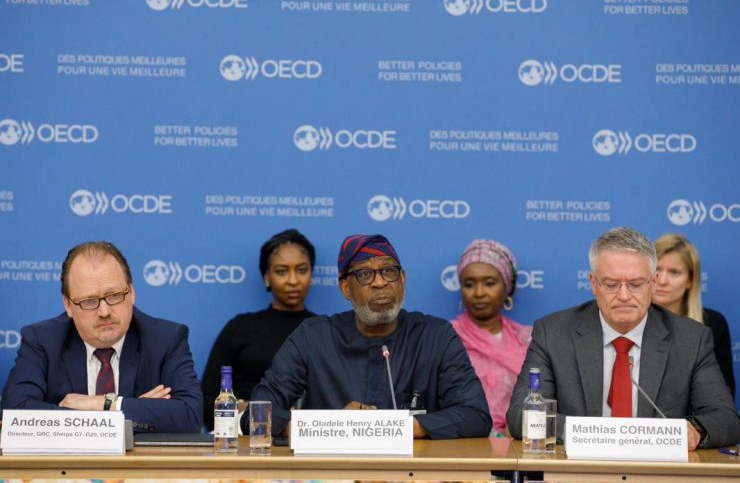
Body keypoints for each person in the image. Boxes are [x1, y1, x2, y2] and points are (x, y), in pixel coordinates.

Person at [506, 227, 740, 450]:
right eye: (611, 284)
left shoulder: (691, 340)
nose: (624, 296)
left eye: (636, 284)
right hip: (579, 469)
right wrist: (601, 435)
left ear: (653, 283)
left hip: (657, 470)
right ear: (593, 283)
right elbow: (520, 417)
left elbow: (726, 419)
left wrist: (694, 431)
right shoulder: (554, 334)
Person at [251, 234, 491, 439]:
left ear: (402, 279)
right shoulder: (314, 337)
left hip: (412, 471)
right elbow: (257, 414)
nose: (380, 282)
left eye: (388, 271)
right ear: (346, 288)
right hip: (333, 470)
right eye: (365, 274)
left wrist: (397, 427)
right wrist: (332, 426)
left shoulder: (435, 336)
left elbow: (476, 415)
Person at [1, 241, 202, 433]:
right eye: (89, 301)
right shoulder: (43, 341)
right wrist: (132, 410)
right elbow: (14, 414)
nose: (104, 311)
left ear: (131, 293)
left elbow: (190, 416)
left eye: (114, 295)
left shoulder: (165, 339)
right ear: (68, 305)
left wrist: (103, 403)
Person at [201, 228, 316, 430]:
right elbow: (205, 400)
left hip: (308, 434)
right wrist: (244, 409)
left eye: (301, 270)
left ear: (311, 273)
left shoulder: (323, 330)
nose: (293, 280)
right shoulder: (241, 327)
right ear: (266, 276)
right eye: (281, 271)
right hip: (243, 434)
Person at [451, 239, 531, 436]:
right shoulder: (446, 338)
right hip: (463, 442)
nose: (479, 293)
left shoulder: (529, 339)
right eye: (469, 284)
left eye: (489, 283)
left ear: (507, 287)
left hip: (520, 442)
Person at [653, 234, 735, 398]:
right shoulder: (629, 321)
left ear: (690, 280)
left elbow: (722, 396)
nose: (662, 281)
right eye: (656, 270)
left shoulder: (712, 324)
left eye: (674, 272)